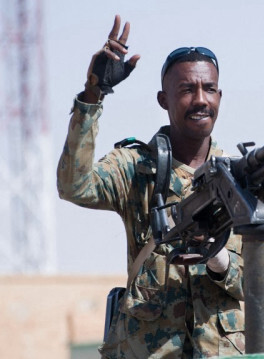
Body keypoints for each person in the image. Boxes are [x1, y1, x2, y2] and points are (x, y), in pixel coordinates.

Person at [57, 15, 245, 358]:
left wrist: (219, 260)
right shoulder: (137, 168)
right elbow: (74, 185)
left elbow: (263, 286)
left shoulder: (240, 178)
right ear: (164, 100)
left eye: (210, 89)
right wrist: (93, 94)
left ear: (221, 96)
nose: (201, 100)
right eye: (187, 90)